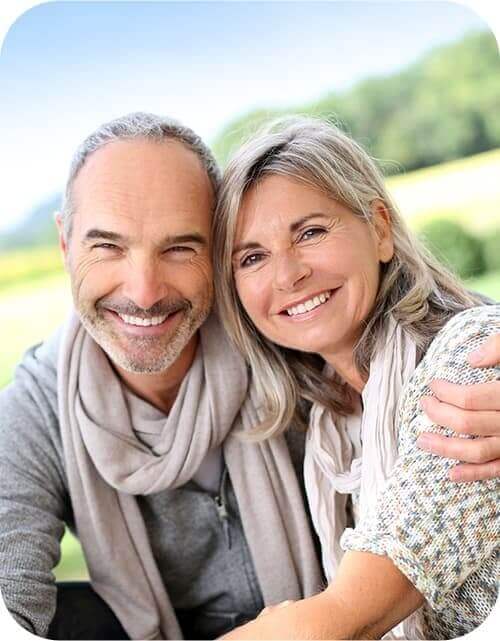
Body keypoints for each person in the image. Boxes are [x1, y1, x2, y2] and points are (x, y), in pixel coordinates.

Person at [0, 113, 498, 641]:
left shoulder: (297, 357)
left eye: (179, 247)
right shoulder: (37, 407)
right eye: (107, 246)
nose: (144, 292)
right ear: (64, 243)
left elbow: (337, 618)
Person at [213, 116, 499, 640]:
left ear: (381, 230)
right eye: (252, 257)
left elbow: (343, 621)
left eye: (312, 232)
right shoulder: (326, 426)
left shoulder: (471, 359)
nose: (287, 274)